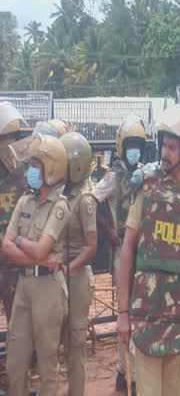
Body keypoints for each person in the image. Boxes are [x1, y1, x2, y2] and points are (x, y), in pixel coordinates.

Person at [116, 105, 180, 396]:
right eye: (163, 146)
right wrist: (122, 312)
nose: (165, 153)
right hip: (147, 313)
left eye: (172, 147)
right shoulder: (146, 187)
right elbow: (128, 249)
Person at [1, 133, 71, 396]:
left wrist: (19, 240)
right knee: (15, 360)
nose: (31, 169)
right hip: (25, 286)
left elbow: (40, 248)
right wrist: (36, 254)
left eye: (36, 164)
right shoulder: (25, 200)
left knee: (47, 362)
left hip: (48, 290)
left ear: (50, 169)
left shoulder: (60, 205)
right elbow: (7, 248)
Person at [92, 115, 147, 392]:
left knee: (135, 315)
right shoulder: (114, 176)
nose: (134, 150)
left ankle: (126, 373)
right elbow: (91, 199)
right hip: (121, 251)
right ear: (122, 147)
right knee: (127, 315)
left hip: (143, 252)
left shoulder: (146, 174)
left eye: (138, 144)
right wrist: (108, 231)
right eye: (131, 145)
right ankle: (128, 375)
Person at [60, 132, 99, 396]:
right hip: (60, 277)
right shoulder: (61, 196)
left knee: (76, 343)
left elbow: (91, 247)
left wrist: (68, 268)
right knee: (61, 340)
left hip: (76, 278)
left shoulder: (85, 201)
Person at [0, 102, 28, 327]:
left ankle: (20, 355)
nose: (12, 144)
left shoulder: (24, 172)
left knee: (18, 315)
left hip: (17, 255)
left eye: (15, 137)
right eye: (7, 138)